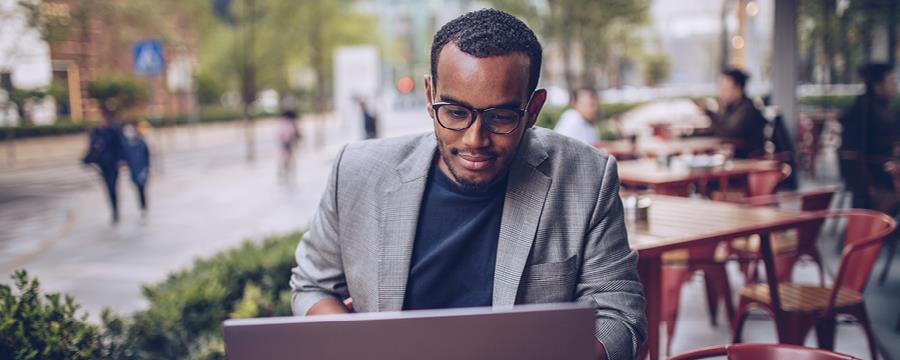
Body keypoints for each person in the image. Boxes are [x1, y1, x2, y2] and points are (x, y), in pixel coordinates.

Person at [290, 9, 646, 360]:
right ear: (430, 97)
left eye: (500, 117)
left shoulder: (586, 176)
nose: (476, 139)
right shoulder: (356, 172)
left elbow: (621, 318)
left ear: (533, 108)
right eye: (456, 112)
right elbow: (312, 285)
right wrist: (360, 344)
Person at [839, 63, 899, 210]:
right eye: (891, 81)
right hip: (878, 179)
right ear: (877, 87)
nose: (895, 86)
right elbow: (859, 153)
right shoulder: (867, 112)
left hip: (880, 172)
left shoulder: (875, 107)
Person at [695, 68, 767, 158]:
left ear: (738, 89)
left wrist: (709, 113)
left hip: (748, 162)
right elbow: (716, 130)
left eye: (725, 88)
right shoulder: (730, 107)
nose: (721, 92)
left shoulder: (747, 109)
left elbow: (728, 134)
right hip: (734, 159)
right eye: (720, 87)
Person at [82, 115, 124, 224]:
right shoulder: (96, 134)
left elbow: (119, 147)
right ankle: (113, 209)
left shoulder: (113, 132)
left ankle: (115, 209)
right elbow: (91, 150)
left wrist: (120, 160)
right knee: (108, 189)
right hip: (102, 167)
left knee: (112, 188)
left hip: (113, 166)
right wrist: (86, 160)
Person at [122, 122, 150, 216]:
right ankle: (142, 207)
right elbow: (124, 158)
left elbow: (147, 156)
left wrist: (146, 169)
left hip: (142, 169)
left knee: (141, 189)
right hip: (133, 171)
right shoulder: (126, 144)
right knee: (138, 189)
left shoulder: (141, 142)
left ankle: (143, 207)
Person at [277, 110, 301, 182]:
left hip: (286, 144)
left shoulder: (282, 123)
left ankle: (285, 174)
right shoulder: (289, 123)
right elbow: (293, 133)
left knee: (285, 159)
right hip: (287, 144)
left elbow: (279, 134)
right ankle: (286, 174)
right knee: (287, 159)